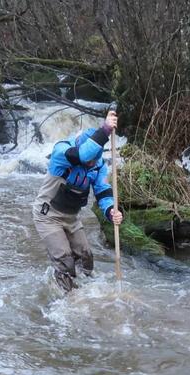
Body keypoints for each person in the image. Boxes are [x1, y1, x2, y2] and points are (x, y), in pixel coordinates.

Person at [32, 110, 123, 292]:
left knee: (86, 258)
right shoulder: (62, 151)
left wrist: (111, 210)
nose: (90, 163)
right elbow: (81, 156)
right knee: (65, 260)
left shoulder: (98, 166)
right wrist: (105, 129)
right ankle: (68, 299)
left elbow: (103, 192)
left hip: (71, 218)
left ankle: (87, 292)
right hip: (48, 216)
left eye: (93, 160)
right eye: (88, 160)